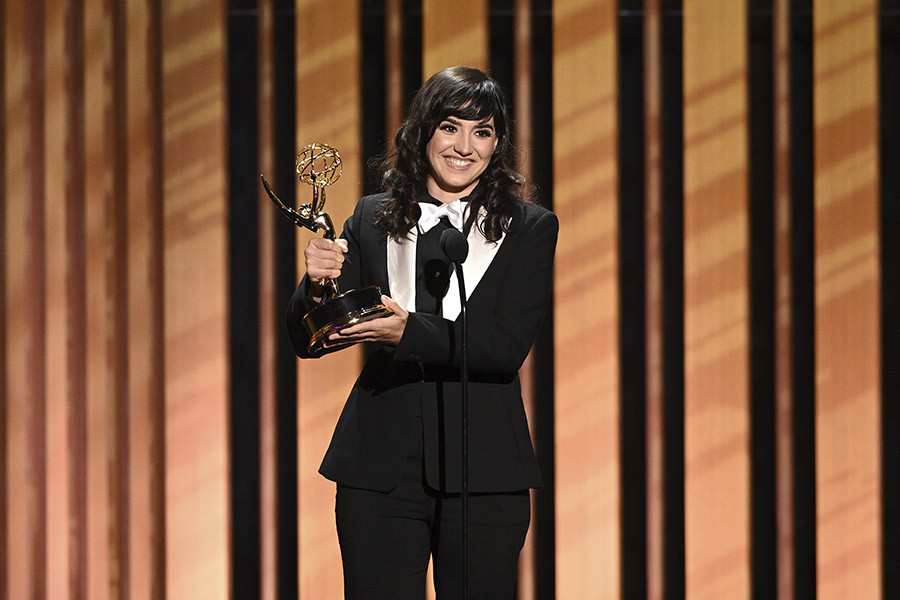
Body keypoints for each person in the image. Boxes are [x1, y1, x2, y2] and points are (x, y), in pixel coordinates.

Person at [287, 66, 558, 599]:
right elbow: (308, 339)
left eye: (482, 132)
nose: (464, 146)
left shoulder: (530, 227)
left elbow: (505, 348)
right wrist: (316, 287)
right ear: (423, 133)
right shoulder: (371, 218)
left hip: (483, 474)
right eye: (450, 127)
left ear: (498, 144)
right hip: (380, 471)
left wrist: (407, 331)